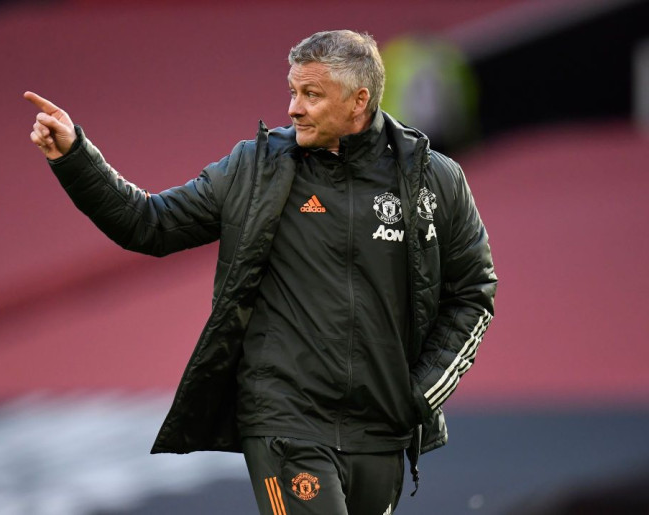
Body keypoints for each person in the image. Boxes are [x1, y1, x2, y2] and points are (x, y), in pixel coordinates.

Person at [25, 29, 497, 515]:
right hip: (284, 422)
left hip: (382, 428)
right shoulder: (254, 169)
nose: (293, 108)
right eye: (293, 91)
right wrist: (75, 157)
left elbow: (473, 294)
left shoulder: (434, 178)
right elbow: (150, 224)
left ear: (359, 101)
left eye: (311, 95)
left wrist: (419, 395)